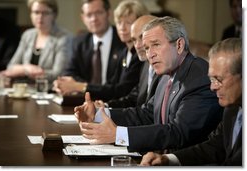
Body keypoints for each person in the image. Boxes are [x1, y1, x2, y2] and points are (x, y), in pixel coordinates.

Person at [74, 16, 223, 153]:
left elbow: (179, 132)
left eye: (156, 45)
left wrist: (118, 135)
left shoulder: (200, 77)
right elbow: (147, 114)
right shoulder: (165, 74)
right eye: (146, 48)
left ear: (179, 45)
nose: (150, 54)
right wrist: (100, 114)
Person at [140, 38, 242, 166]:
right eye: (212, 79)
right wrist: (167, 159)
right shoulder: (232, 109)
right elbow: (214, 147)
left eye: (219, 79)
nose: (213, 87)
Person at [53, 0, 147, 102]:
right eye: (119, 22)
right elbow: (112, 85)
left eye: (128, 23)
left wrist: (79, 86)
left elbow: (122, 90)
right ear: (83, 18)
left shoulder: (132, 49)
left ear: (108, 13)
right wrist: (68, 84)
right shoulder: (125, 51)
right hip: (98, 102)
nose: (122, 28)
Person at [0, 0, 73, 83]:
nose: (40, 17)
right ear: (31, 14)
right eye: (36, 12)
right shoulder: (27, 35)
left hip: (49, 91)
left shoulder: (64, 38)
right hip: (24, 89)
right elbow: (11, 67)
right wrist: (27, 68)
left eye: (45, 13)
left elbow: (58, 74)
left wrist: (21, 71)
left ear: (54, 15)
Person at [101, 15, 160, 108]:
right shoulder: (145, 65)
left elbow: (149, 113)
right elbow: (134, 98)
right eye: (134, 40)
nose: (137, 45)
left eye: (142, 37)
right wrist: (105, 106)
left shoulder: (165, 68)